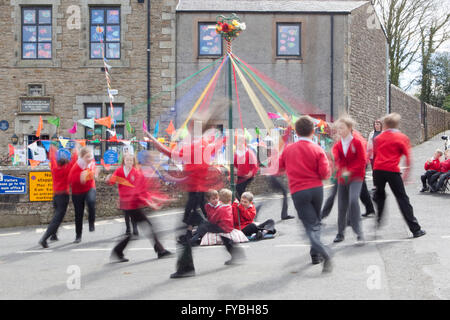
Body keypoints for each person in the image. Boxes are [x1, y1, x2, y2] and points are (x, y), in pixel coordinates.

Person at [278, 116, 333, 272]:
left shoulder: (289, 149)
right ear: (313, 131)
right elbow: (325, 174)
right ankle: (315, 255)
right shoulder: (317, 149)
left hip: (299, 191)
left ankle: (323, 253)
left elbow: (280, 167)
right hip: (316, 190)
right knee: (315, 223)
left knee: (309, 227)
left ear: (296, 131)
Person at [108, 154, 172, 262]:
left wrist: (152, 201)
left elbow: (142, 191)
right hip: (127, 204)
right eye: (127, 160)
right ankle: (160, 251)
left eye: (130, 160)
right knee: (148, 227)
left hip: (133, 205)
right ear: (124, 161)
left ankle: (118, 251)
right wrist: (108, 178)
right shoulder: (119, 171)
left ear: (133, 162)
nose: (129, 162)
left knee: (140, 229)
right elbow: (112, 181)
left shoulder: (136, 173)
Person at [372, 113, 426, 238]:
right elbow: (408, 158)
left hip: (378, 170)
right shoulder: (402, 137)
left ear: (385, 124)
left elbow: (375, 155)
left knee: (380, 195)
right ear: (397, 124)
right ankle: (415, 229)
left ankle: (379, 219)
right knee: (402, 199)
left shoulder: (378, 138)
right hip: (392, 170)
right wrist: (406, 174)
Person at [171, 189, 245, 278]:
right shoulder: (209, 206)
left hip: (222, 226)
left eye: (217, 198)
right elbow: (210, 216)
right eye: (213, 199)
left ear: (219, 198)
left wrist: (206, 223)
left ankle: (194, 239)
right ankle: (234, 253)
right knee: (200, 220)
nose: (215, 200)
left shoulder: (221, 208)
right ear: (208, 200)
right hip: (220, 225)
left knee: (204, 226)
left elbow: (214, 219)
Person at [332, 117, 366, 244]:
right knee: (341, 206)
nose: (339, 130)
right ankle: (340, 233)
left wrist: (349, 170)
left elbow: (362, 161)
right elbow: (338, 161)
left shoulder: (357, 142)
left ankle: (359, 233)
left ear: (350, 128)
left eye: (342, 128)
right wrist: (342, 170)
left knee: (353, 200)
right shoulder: (337, 145)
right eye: (338, 128)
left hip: (356, 177)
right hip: (342, 178)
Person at [39, 146, 78, 248]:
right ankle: (44, 238)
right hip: (63, 196)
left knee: (56, 215)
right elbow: (73, 161)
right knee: (57, 219)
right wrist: (76, 150)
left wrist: (52, 149)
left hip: (55, 196)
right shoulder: (67, 169)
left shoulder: (54, 168)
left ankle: (54, 235)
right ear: (66, 163)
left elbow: (52, 159)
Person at [68, 146, 97, 243]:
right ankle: (78, 235)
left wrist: (94, 173)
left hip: (90, 187)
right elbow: (70, 180)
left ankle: (91, 222)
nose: (89, 159)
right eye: (87, 157)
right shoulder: (76, 166)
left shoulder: (92, 163)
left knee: (91, 202)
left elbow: (94, 171)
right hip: (77, 192)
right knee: (78, 214)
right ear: (82, 157)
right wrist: (79, 177)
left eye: (90, 156)